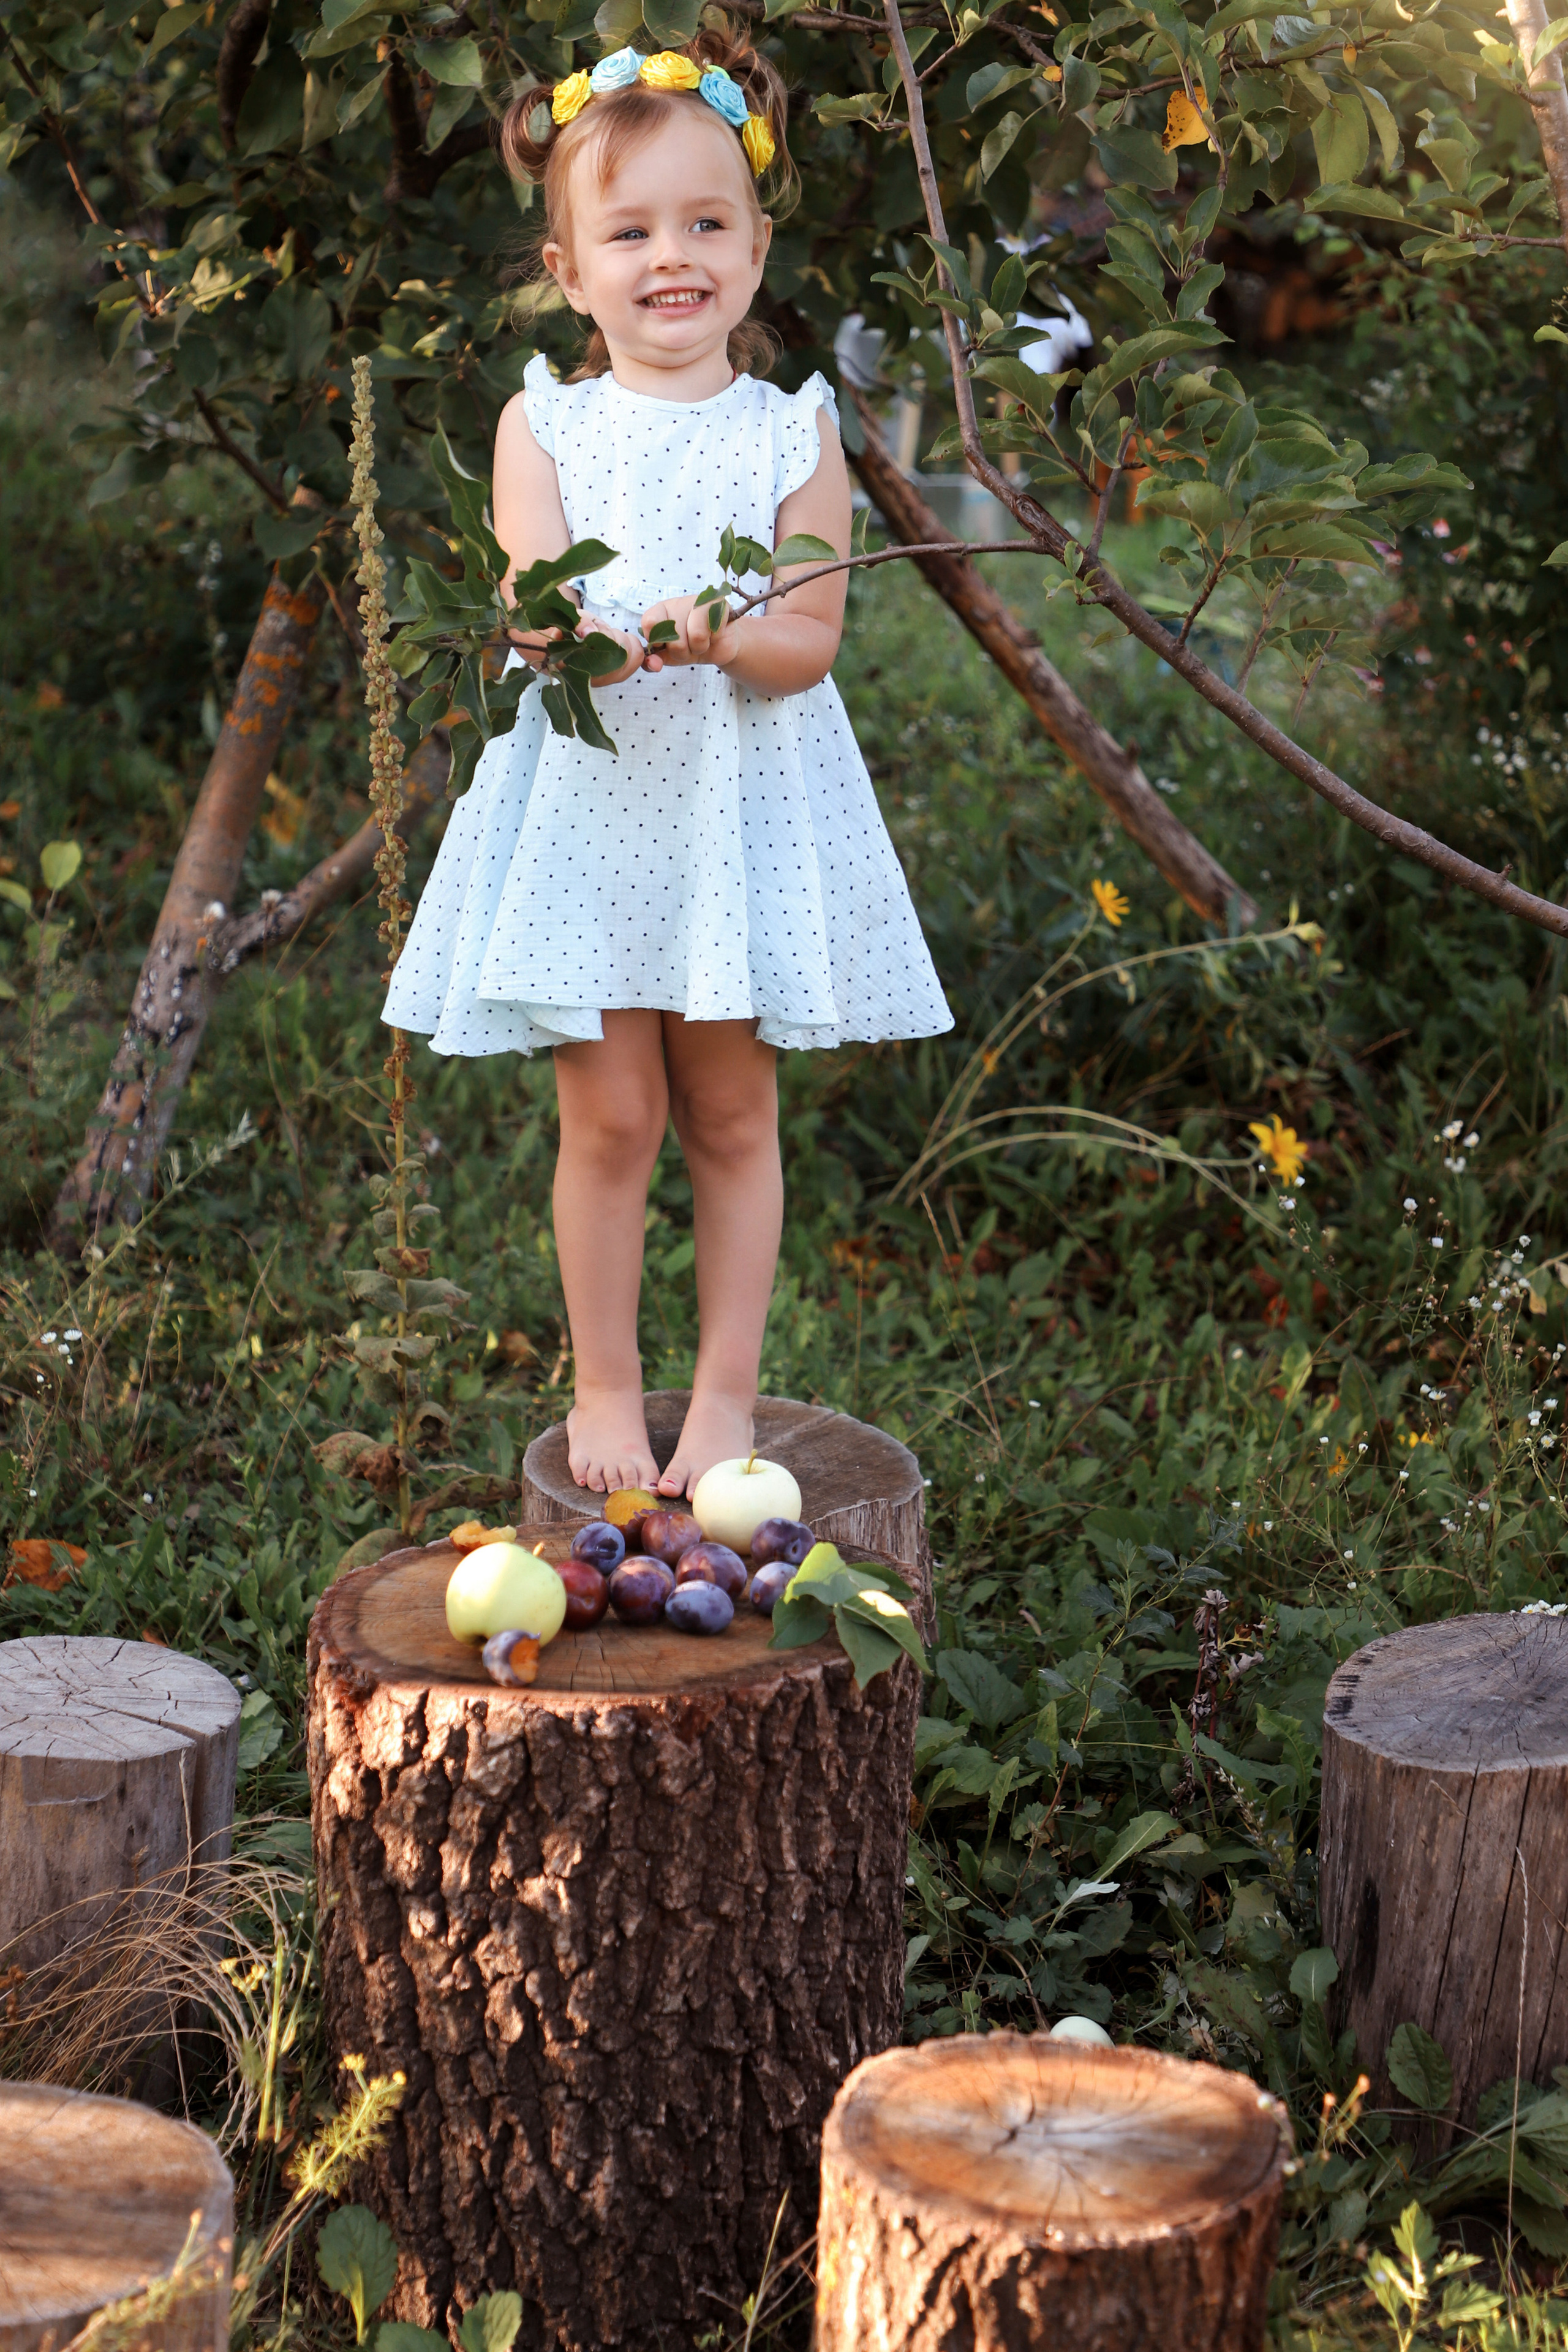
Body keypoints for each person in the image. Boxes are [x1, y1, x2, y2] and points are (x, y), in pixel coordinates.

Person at [383, 24, 952, 1499]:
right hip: (588, 808)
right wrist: (567, 630)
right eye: (628, 230)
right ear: (571, 270)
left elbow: (810, 636)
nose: (670, 256)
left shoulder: (793, 432)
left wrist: (723, 630)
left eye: (706, 223)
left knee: (728, 1109)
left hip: (730, 813)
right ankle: (606, 1383)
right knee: (610, 1113)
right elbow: (524, 604)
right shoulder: (544, 420)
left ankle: (722, 1397)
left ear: (755, 249)